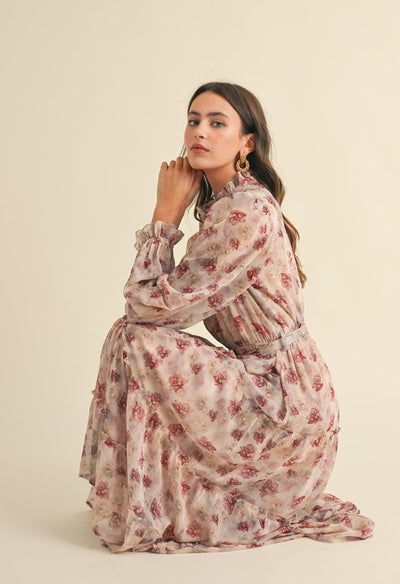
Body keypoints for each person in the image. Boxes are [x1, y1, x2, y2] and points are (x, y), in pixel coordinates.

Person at [79, 82, 374, 554]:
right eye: (193, 120)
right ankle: (140, 497)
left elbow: (148, 307)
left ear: (246, 144)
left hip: (284, 403)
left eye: (217, 123)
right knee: (130, 337)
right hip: (263, 381)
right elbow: (152, 307)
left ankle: (151, 501)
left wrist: (164, 216)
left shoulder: (246, 212)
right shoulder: (222, 205)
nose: (200, 132)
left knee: (135, 338)